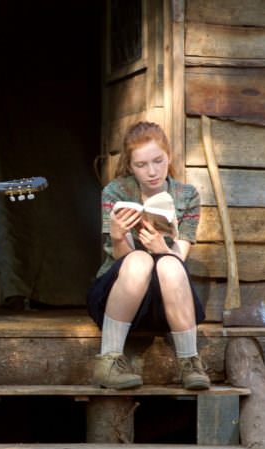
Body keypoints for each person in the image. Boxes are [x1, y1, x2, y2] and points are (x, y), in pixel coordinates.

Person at [86, 121, 210, 391]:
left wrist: (161, 249)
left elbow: (181, 255)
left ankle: (190, 361)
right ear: (130, 166)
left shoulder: (187, 195)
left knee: (168, 263)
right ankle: (108, 360)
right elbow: (122, 262)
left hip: (167, 300)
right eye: (141, 165)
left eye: (158, 161)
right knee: (139, 260)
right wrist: (119, 236)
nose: (152, 172)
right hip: (119, 297)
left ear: (169, 157)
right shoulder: (116, 192)